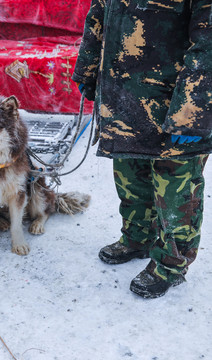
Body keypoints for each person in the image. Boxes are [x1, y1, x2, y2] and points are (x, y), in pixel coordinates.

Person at [72, 0, 211, 298]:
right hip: (125, 96)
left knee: (175, 190)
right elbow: (99, 11)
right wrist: (88, 67)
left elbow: (208, 43)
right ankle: (138, 237)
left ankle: (171, 264)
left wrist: (191, 113)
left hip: (176, 101)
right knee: (130, 173)